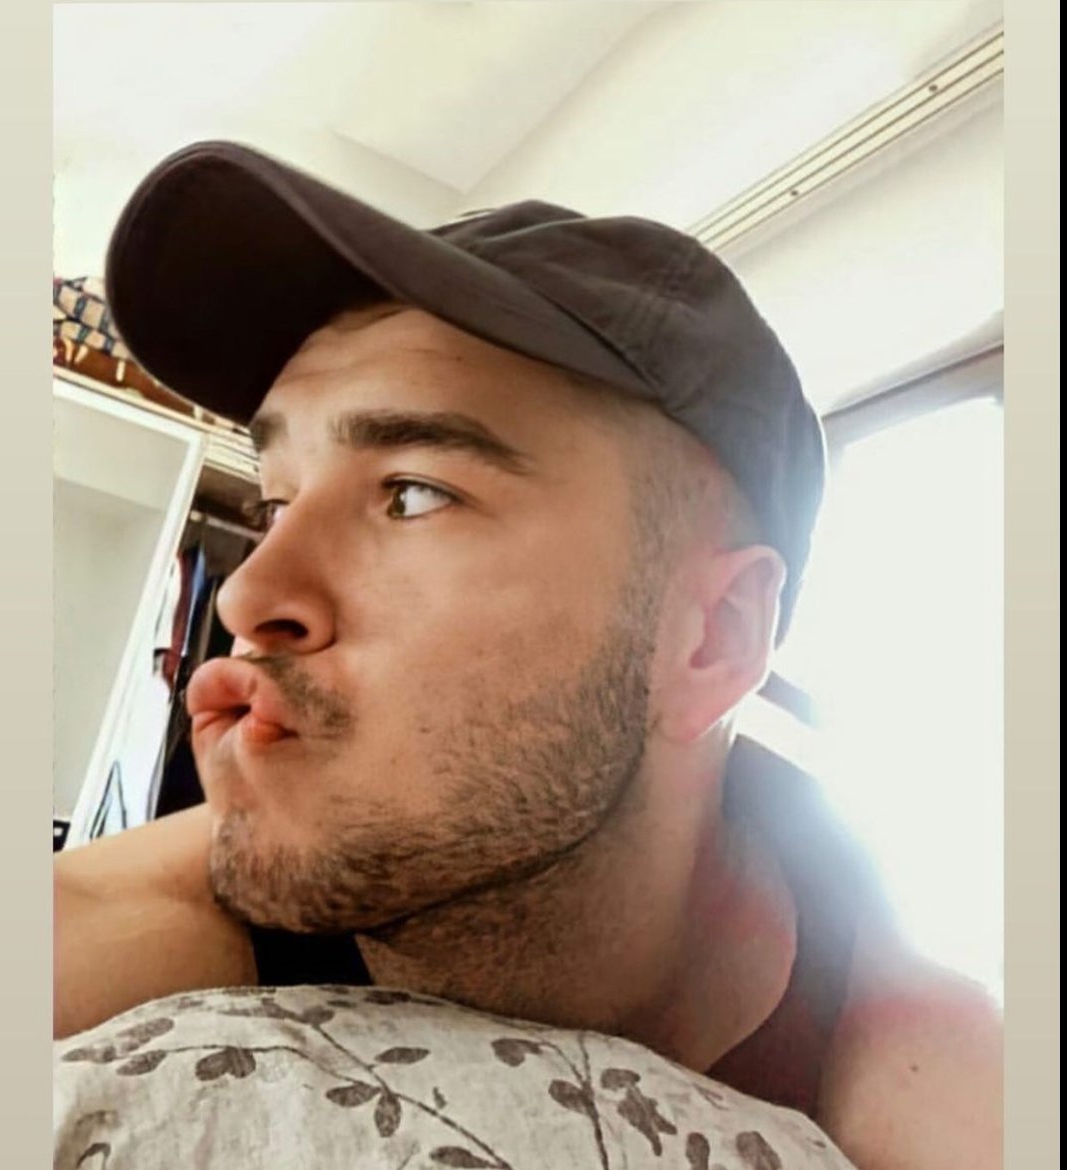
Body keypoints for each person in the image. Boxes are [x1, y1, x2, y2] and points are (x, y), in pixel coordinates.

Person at [54, 142, 1002, 1170]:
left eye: (414, 493)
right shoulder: (158, 916)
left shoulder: (930, 1083)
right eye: (277, 501)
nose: (246, 596)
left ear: (712, 637)